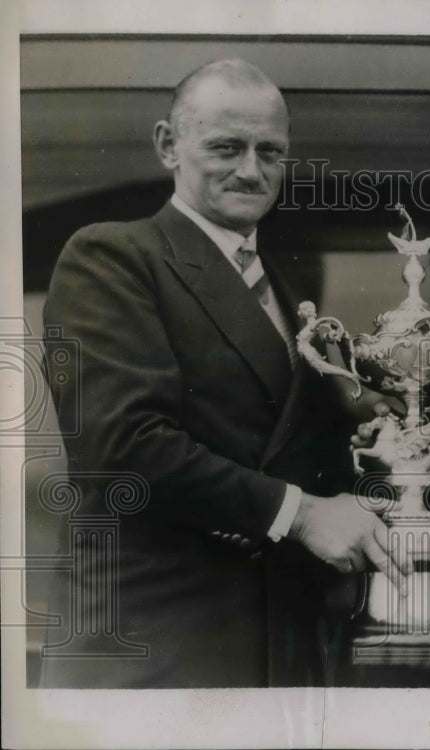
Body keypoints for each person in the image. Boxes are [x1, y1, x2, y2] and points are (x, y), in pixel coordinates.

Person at [40, 58, 408, 688]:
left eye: (271, 151)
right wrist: (302, 513)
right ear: (167, 145)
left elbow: (282, 442)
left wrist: (377, 447)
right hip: (157, 648)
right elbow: (122, 446)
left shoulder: (286, 295)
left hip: (274, 647)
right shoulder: (112, 256)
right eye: (226, 147)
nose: (251, 170)